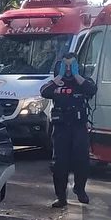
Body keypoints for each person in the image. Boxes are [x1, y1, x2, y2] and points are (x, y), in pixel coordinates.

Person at [41, 52, 97, 208]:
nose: (67, 69)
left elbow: (92, 90)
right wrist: (58, 77)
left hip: (79, 128)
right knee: (59, 164)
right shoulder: (56, 83)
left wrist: (76, 75)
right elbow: (44, 92)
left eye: (71, 65)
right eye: (65, 65)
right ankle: (61, 197)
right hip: (60, 129)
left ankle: (80, 189)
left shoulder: (82, 82)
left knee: (82, 161)